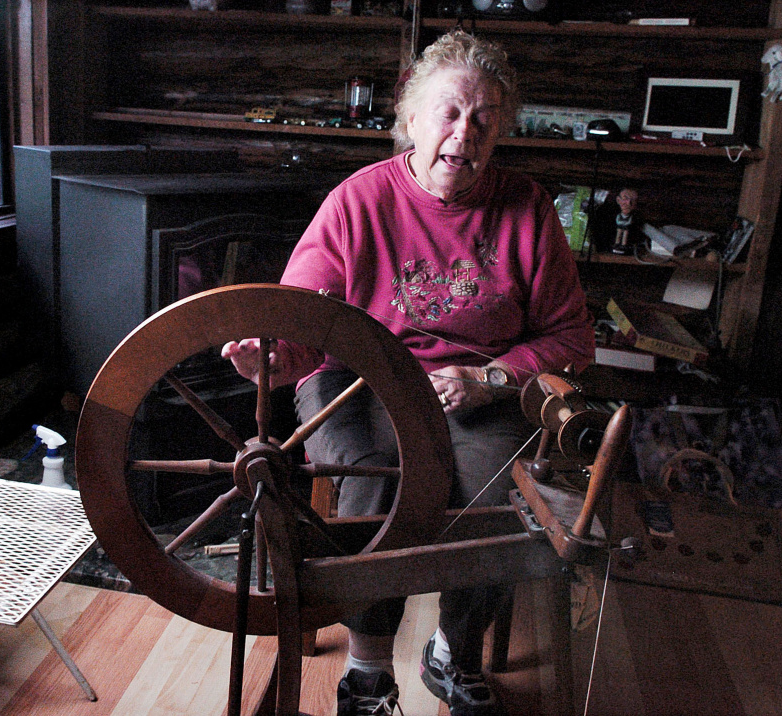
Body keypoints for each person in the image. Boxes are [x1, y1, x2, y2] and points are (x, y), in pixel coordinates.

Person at [223, 29, 594, 716]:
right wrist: (269, 361)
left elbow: (572, 337)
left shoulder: (528, 209)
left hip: (477, 388)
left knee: (498, 498)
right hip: (357, 381)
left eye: (483, 118)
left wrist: (491, 376)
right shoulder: (358, 202)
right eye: (449, 112)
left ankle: (452, 653)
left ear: (500, 129)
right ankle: (367, 676)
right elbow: (304, 322)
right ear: (412, 117)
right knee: (373, 487)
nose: (464, 132)